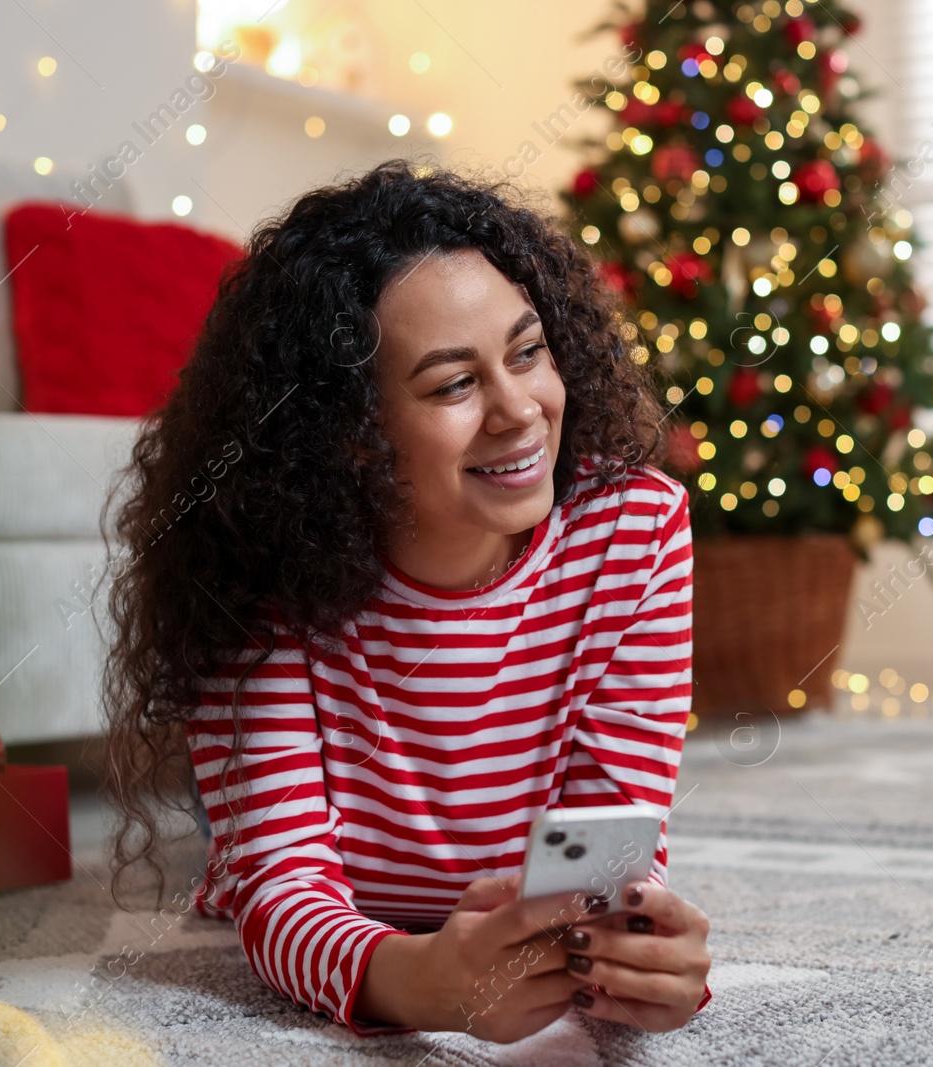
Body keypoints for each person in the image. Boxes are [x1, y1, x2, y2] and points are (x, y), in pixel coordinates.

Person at [100, 157, 712, 1041]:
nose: (520, 411)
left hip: (484, 865)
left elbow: (607, 843)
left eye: (528, 351)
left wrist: (635, 956)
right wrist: (422, 983)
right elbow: (282, 890)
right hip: (327, 826)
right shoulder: (255, 560)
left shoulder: (636, 529)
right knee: (236, 846)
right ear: (350, 435)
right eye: (454, 383)